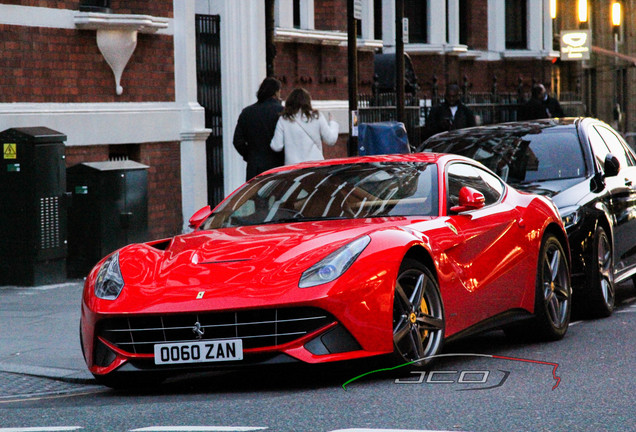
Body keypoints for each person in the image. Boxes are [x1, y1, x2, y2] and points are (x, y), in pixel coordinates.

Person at [270, 87, 339, 165]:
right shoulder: (316, 116)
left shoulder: (284, 119)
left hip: (293, 168)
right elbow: (331, 140)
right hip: (314, 165)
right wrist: (333, 123)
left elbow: (276, 146)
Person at [233, 77, 284, 181]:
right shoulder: (282, 112)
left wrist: (250, 156)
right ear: (276, 92)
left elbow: (237, 141)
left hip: (255, 167)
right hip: (278, 165)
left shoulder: (247, 112)